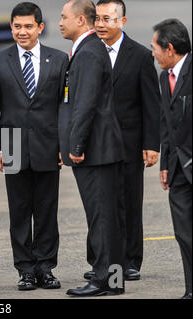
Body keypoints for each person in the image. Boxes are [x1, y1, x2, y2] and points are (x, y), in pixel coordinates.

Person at [0, 2, 68, 291]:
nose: (22, 31)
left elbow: (63, 106)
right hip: (12, 148)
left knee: (47, 210)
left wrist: (63, 144)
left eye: (28, 26)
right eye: (17, 26)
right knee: (19, 212)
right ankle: (26, 270)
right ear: (11, 28)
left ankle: (46, 267)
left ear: (40, 28)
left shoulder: (59, 59)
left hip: (48, 147)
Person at [82, 0, 161, 282]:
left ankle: (129, 260)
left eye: (107, 19)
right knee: (99, 205)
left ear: (122, 22)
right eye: (98, 19)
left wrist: (152, 144)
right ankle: (99, 261)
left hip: (129, 143)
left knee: (128, 202)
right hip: (96, 144)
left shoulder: (139, 55)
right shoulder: (86, 51)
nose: (101, 24)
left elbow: (152, 104)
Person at [58, 0, 126, 297]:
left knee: (101, 216)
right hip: (101, 148)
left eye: (64, 17)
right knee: (106, 216)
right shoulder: (90, 50)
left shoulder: (87, 53)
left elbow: (84, 104)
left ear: (81, 21)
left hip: (95, 149)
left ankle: (103, 279)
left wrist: (75, 144)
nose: (60, 22)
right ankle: (114, 281)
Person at [152, 19, 192, 300]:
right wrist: (165, 164)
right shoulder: (163, 76)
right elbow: (165, 125)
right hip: (178, 169)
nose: (152, 53)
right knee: (184, 233)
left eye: (155, 48)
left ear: (169, 48)